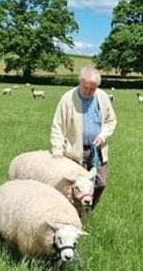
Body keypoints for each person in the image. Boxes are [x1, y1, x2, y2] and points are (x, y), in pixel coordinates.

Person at [50, 66, 117, 207]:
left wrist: (103, 135)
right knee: (73, 185)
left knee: (100, 182)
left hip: (96, 149)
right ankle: (73, 212)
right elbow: (58, 126)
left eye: (92, 89)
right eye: (85, 87)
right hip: (73, 150)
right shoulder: (67, 99)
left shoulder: (103, 97)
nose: (88, 91)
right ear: (80, 82)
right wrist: (57, 150)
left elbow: (111, 120)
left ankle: (88, 208)